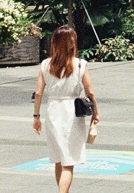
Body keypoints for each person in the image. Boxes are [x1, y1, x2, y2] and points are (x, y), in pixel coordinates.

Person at [33, 25, 100, 193]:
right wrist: (96, 112)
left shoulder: (45, 65)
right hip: (72, 113)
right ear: (72, 43)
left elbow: (39, 93)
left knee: (58, 159)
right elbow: (90, 91)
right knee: (68, 163)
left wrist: (36, 116)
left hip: (53, 111)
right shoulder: (80, 65)